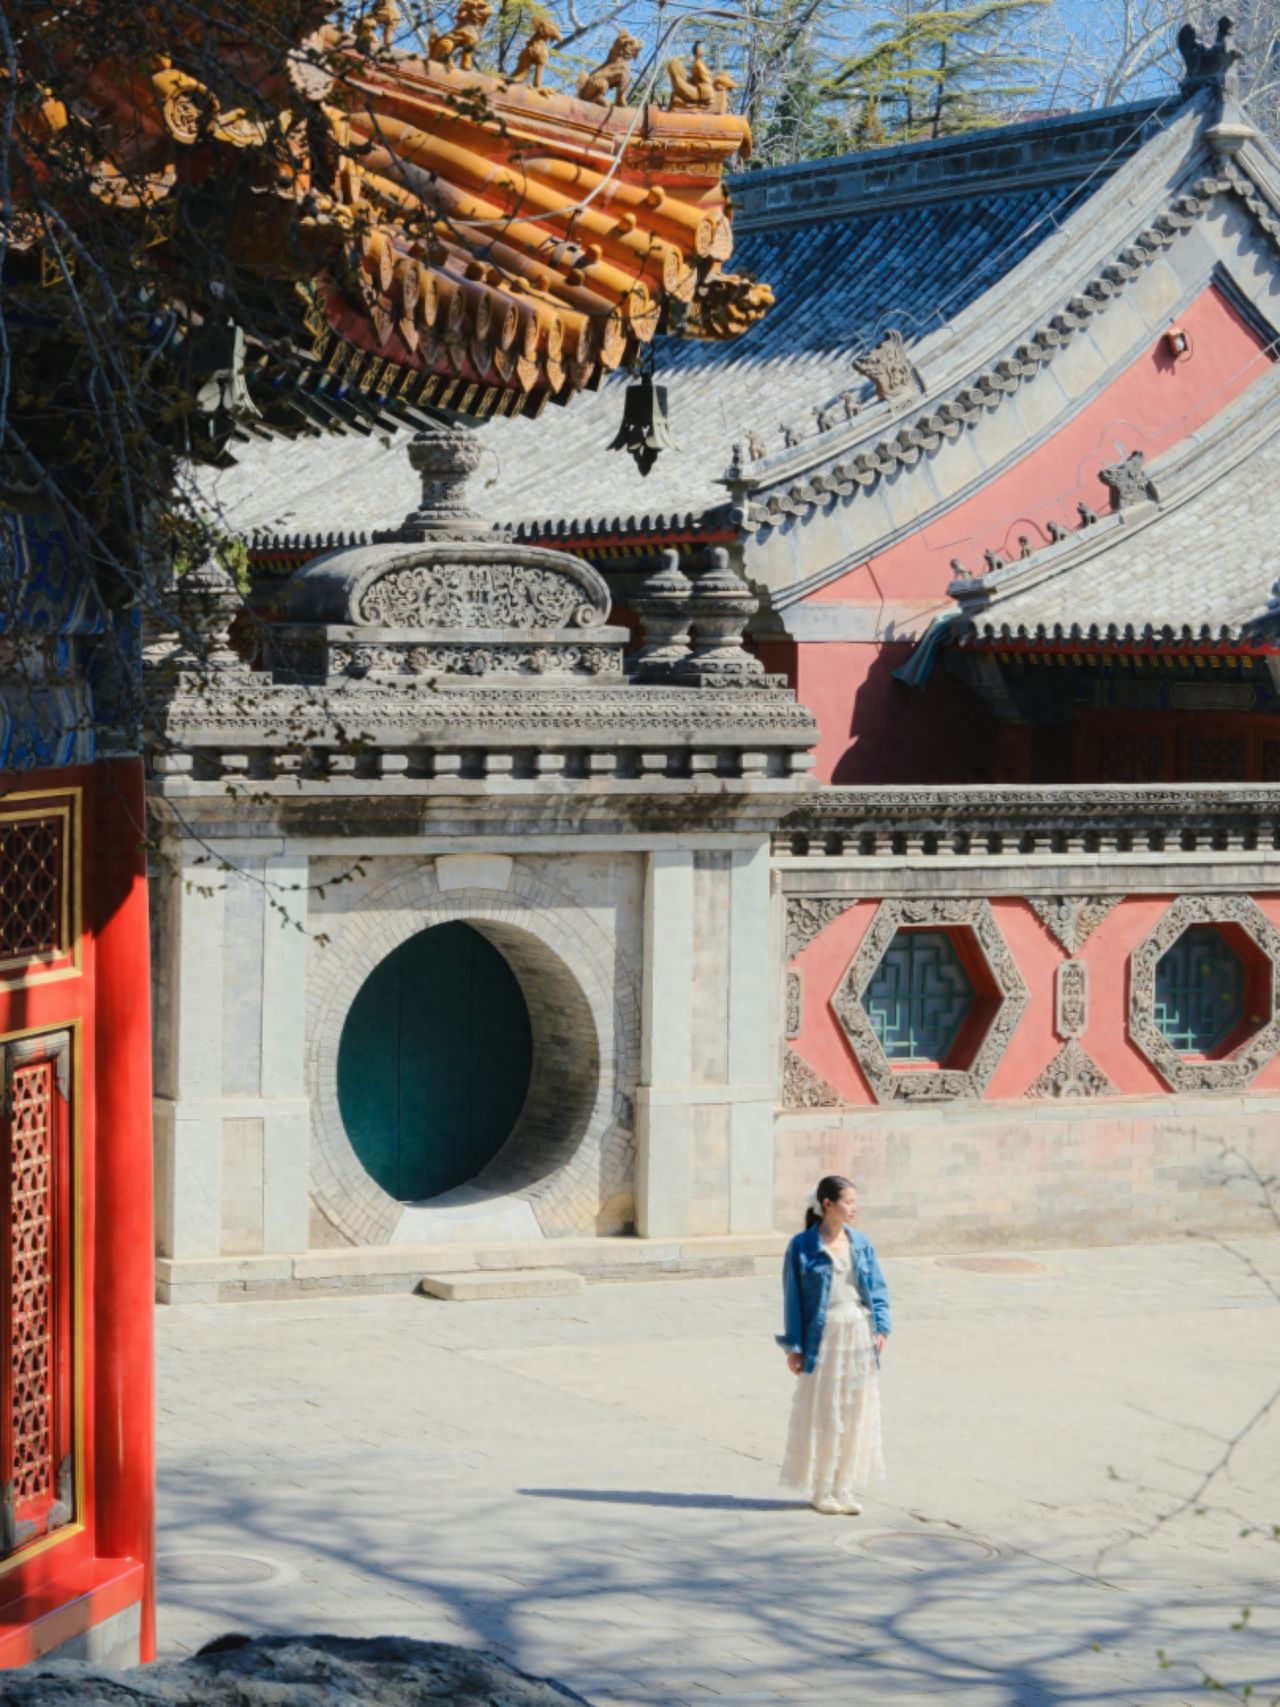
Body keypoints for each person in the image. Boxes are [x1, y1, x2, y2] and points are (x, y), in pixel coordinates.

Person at [777, 1174, 890, 1514]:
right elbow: (793, 1299)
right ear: (828, 1204)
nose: (855, 1208)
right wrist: (794, 1347)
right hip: (823, 1336)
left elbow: (878, 1288)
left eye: (855, 1202)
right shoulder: (802, 1246)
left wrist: (881, 1328)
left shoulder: (861, 1243)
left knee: (856, 1410)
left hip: (858, 1332)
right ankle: (822, 1488)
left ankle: (844, 1487)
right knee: (826, 1412)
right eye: (849, 1202)